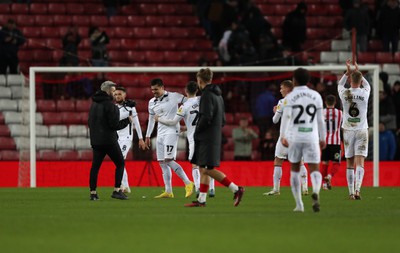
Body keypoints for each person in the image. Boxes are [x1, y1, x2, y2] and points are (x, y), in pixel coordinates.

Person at [185, 68, 244, 207]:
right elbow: (222, 119)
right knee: (204, 167)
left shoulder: (206, 95)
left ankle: (236, 189)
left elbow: (206, 117)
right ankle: (201, 200)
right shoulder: (218, 96)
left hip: (207, 137)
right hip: (214, 135)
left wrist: (198, 130)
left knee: (207, 169)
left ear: (199, 81)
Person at [155, 81, 216, 198]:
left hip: (194, 137)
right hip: (208, 135)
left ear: (186, 91)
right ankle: (212, 189)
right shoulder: (202, 100)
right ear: (197, 90)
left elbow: (173, 122)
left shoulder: (184, 106)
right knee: (208, 162)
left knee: (195, 165)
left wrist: (159, 119)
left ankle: (198, 187)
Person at [281, 68, 326, 212]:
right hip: (311, 137)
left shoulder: (290, 97)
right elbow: (320, 120)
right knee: (314, 168)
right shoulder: (316, 96)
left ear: (294, 80)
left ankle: (299, 205)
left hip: (295, 137)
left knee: (295, 169)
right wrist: (323, 138)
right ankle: (316, 192)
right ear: (308, 80)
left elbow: (286, 117)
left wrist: (283, 135)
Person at [145, 78, 194, 198]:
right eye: (152, 90)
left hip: (172, 131)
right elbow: (152, 120)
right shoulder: (151, 102)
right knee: (162, 163)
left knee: (168, 160)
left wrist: (188, 124)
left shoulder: (175, 96)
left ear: (162, 87)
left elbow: (190, 104)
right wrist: (148, 135)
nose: (154, 92)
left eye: (156, 89)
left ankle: (188, 183)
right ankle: (168, 191)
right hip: (160, 133)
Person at [88, 81, 133, 201]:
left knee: (95, 167)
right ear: (108, 91)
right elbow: (115, 125)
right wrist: (127, 121)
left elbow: (90, 123)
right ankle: (117, 190)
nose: (114, 94)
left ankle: (93, 193)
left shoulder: (93, 105)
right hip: (109, 141)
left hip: (96, 141)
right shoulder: (110, 106)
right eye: (113, 91)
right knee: (120, 163)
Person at [264, 80, 309, 196]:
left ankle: (276, 189)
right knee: (300, 162)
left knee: (278, 161)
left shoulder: (282, 102)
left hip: (285, 137)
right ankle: (305, 187)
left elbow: (275, 120)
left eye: (281, 88)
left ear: (287, 89)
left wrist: (276, 111)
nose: (280, 90)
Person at [338, 59, 371, 200]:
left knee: (349, 163)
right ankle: (358, 190)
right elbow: (367, 84)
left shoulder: (344, 93)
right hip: (362, 130)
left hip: (348, 131)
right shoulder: (365, 92)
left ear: (350, 80)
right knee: (360, 162)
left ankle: (351, 193)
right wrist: (358, 72)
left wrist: (348, 72)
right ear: (360, 80)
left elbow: (340, 84)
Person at [114, 87, 146, 194]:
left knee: (120, 160)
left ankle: (123, 186)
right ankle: (126, 186)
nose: (117, 96)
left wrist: (141, 139)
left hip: (126, 138)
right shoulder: (114, 108)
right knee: (119, 162)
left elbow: (136, 123)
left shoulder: (130, 108)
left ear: (124, 95)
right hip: (116, 138)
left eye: (119, 94)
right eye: (116, 94)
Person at [321, 95, 343, 190]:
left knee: (324, 163)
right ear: (335, 103)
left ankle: (324, 184)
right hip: (336, 143)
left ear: (325, 102)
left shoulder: (321, 113)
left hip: (325, 142)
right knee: (336, 162)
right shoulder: (340, 113)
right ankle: (329, 176)